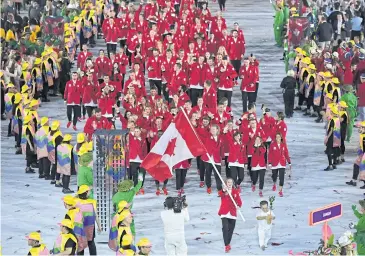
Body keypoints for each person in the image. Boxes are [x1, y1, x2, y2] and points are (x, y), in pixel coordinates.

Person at [75, 185, 102, 255]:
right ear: (86, 192)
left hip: (79, 226)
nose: (90, 192)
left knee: (80, 243)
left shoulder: (75, 202)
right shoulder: (92, 202)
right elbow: (96, 215)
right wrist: (99, 226)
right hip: (90, 227)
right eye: (89, 191)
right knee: (91, 242)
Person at [218, 178, 242, 253]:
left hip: (232, 213)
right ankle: (226, 245)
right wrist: (224, 190)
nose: (229, 183)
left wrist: (238, 205)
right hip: (224, 212)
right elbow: (220, 194)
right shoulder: (223, 191)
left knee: (231, 230)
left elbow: (239, 201)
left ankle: (227, 243)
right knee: (225, 228)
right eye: (228, 182)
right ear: (226, 183)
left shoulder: (236, 191)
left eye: (231, 182)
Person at [268, 133, 291, 197]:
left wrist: (289, 161)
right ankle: (274, 183)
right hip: (274, 163)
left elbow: (286, 153)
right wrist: (269, 162)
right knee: (274, 175)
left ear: (281, 138)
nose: (278, 138)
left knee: (281, 177)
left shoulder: (283, 145)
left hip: (282, 163)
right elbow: (270, 154)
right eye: (276, 137)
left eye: (279, 137)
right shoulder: (272, 145)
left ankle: (280, 190)